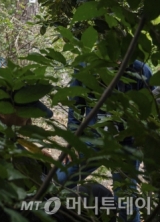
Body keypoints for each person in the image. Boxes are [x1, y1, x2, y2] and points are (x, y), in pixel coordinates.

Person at [0, 79, 114, 222]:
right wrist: (39, 163)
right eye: (27, 115)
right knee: (99, 196)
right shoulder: (1, 150)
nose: (29, 123)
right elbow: (43, 186)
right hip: (13, 216)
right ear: (5, 112)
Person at [56, 60, 156, 222]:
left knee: (126, 200)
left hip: (126, 144)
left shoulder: (141, 70)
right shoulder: (86, 66)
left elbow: (149, 110)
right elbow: (76, 105)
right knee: (61, 180)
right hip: (91, 138)